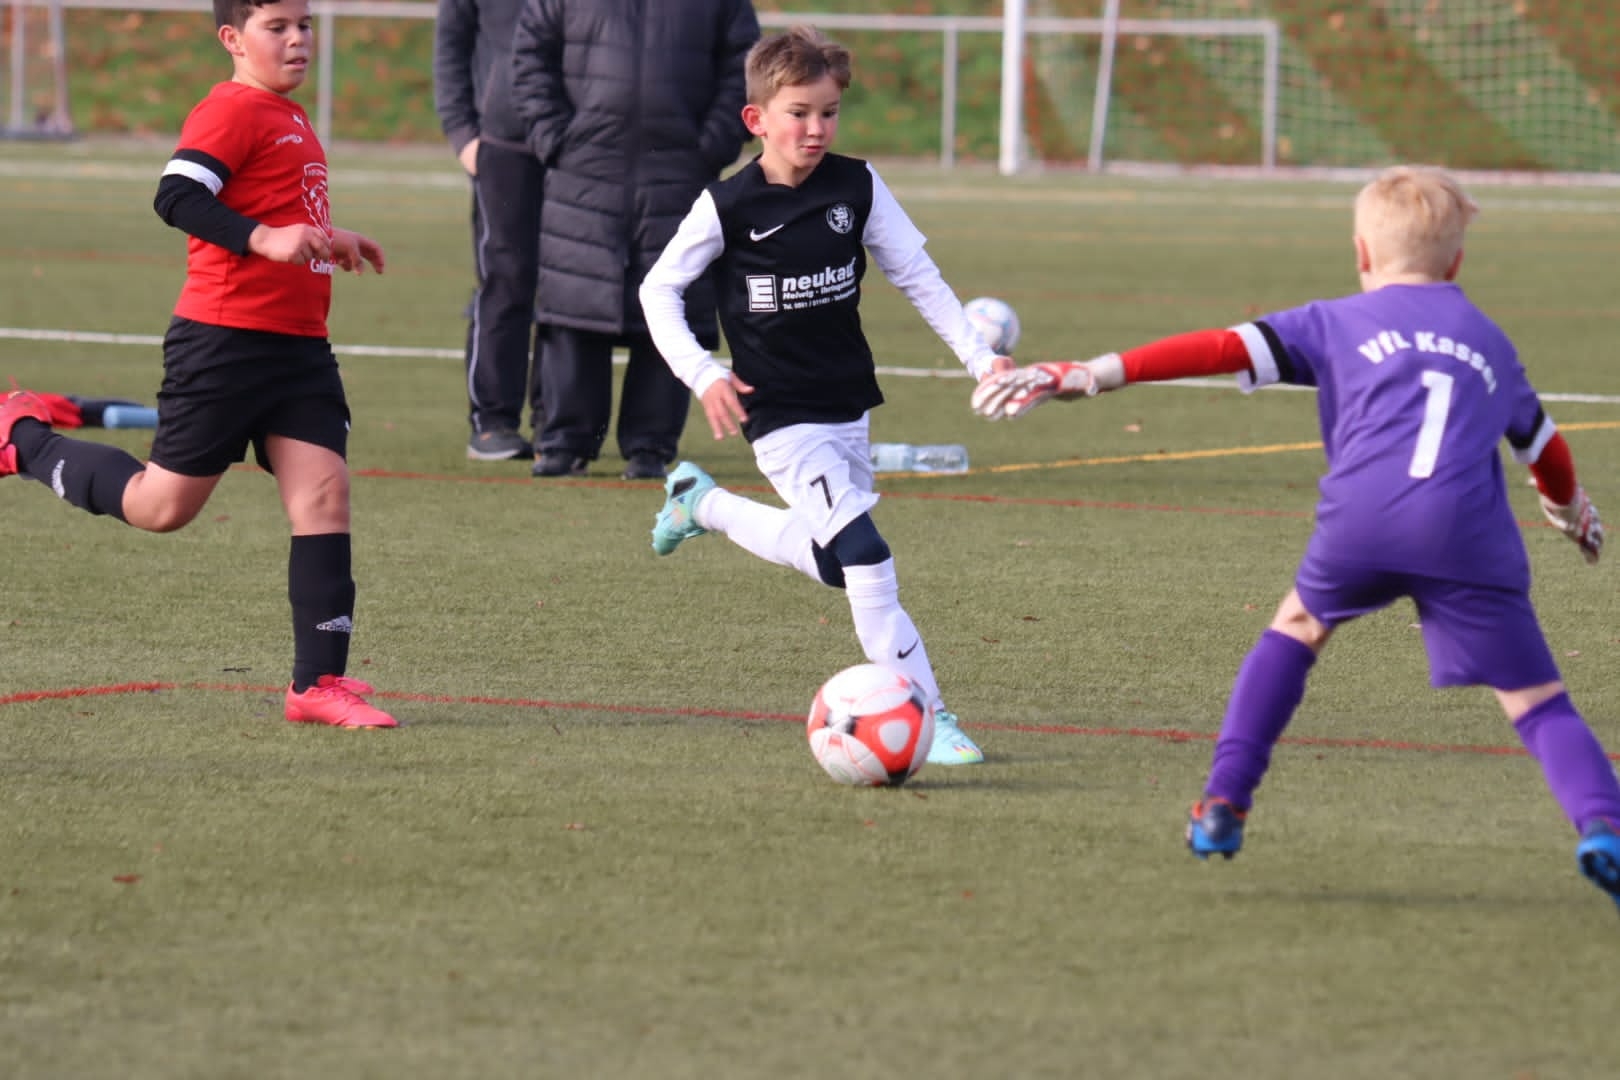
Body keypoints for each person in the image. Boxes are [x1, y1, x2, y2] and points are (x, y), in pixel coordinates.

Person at [971, 165, 1620, 908]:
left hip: (1363, 524)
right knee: (1538, 703)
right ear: (1458, 262)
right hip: (1467, 535)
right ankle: (1604, 827)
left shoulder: (1333, 321)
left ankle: (1224, 802)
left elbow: (1219, 347)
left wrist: (1094, 373)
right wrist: (1569, 512)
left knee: (1300, 627)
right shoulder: (1491, 342)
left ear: (1362, 252)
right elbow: (1545, 449)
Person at [0, 0, 395, 729]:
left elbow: (270, 201)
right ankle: (22, 438)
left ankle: (316, 686)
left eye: (305, 24)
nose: (298, 40)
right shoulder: (230, 110)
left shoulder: (290, 114)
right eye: (277, 27)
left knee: (324, 494)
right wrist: (264, 239)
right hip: (224, 342)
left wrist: (323, 234)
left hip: (300, 349)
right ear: (232, 38)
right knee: (161, 508)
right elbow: (176, 196)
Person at [638, 26, 1015, 767]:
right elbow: (658, 290)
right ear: (757, 119)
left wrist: (981, 359)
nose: (816, 128)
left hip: (846, 401)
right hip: (777, 413)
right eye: (799, 113)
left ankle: (701, 504)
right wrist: (704, 374)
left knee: (839, 562)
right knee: (866, 553)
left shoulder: (858, 186)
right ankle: (929, 713)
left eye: (829, 112)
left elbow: (918, 277)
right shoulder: (728, 205)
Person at [511, 0, 760, 481]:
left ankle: (650, 446)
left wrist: (714, 142)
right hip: (583, 165)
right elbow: (530, 55)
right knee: (574, 303)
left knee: (671, 297)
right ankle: (565, 442)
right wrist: (553, 136)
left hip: (680, 168)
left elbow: (743, 65)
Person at [433, 0, 544, 462]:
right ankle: (493, 423)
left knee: (570, 288)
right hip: (504, 147)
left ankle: (559, 424)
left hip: (582, 146)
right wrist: (464, 136)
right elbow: (451, 46)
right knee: (507, 280)